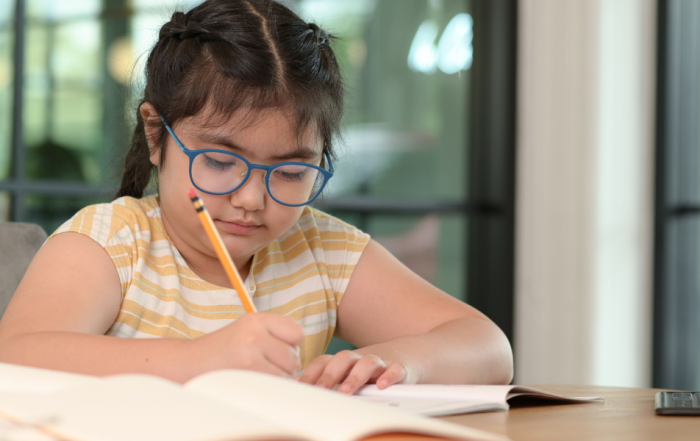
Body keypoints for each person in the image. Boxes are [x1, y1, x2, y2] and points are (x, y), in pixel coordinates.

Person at [0, 0, 513, 394]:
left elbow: (487, 346)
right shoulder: (112, 243)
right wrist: (201, 361)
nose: (250, 198)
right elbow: (13, 358)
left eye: (291, 171)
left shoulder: (319, 251)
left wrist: (399, 363)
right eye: (221, 163)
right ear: (156, 136)